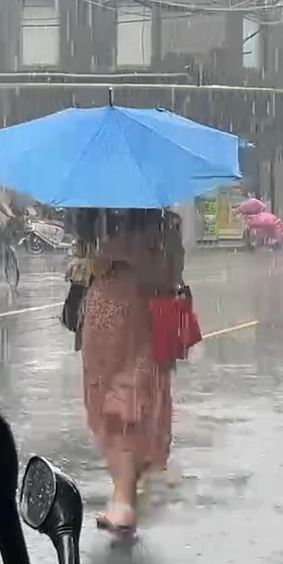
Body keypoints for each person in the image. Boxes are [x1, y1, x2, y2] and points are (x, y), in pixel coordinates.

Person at [80, 208, 185, 535]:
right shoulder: (164, 222)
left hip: (113, 316)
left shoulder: (99, 216)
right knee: (133, 402)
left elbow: (86, 268)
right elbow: (172, 273)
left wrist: (105, 257)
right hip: (142, 316)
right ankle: (124, 493)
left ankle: (123, 499)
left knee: (119, 406)